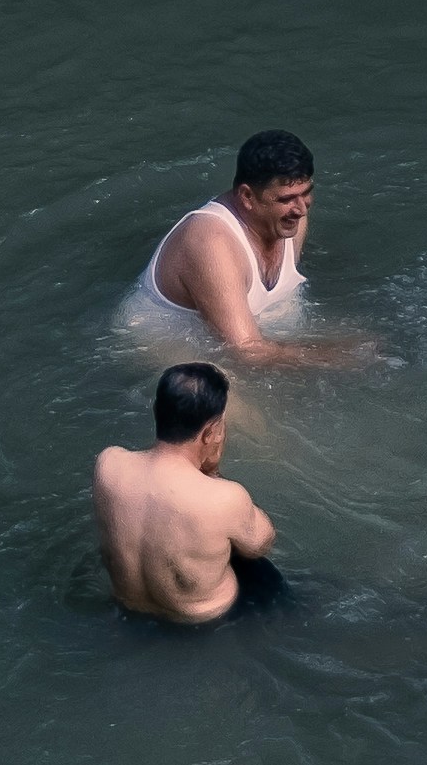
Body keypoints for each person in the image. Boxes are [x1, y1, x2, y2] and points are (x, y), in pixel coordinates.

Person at [130, 130, 346, 365]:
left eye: (306, 193)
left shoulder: (291, 218)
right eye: (286, 199)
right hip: (171, 342)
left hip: (253, 330)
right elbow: (246, 351)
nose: (301, 209)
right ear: (246, 196)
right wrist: (340, 357)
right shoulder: (211, 241)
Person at [93, 362, 280, 624]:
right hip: (204, 624)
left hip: (128, 610)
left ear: (157, 410)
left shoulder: (108, 465)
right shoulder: (225, 499)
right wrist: (212, 472)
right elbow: (261, 544)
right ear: (210, 432)